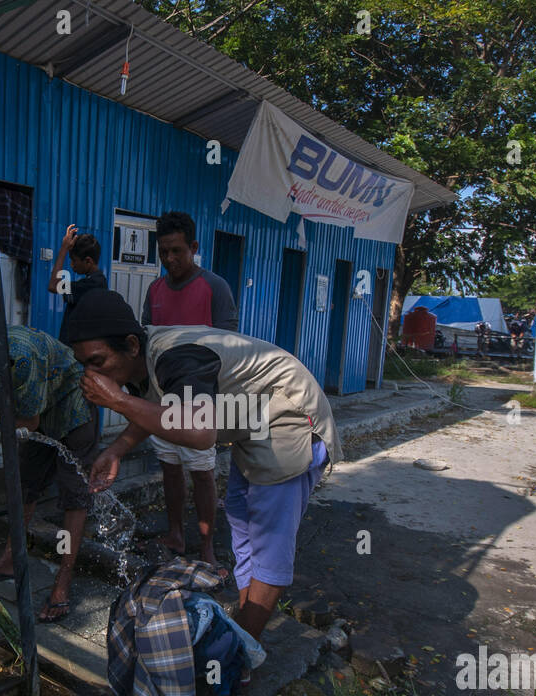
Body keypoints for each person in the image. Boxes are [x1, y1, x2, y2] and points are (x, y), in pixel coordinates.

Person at [61, 289, 339, 655]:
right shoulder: (142, 360)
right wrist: (117, 449)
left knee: (269, 542)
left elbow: (199, 431)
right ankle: (244, 631)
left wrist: (117, 400)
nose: (91, 376)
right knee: (242, 524)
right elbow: (162, 405)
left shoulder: (177, 356)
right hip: (252, 424)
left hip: (288, 419)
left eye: (97, 362)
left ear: (131, 345)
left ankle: (241, 652)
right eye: (84, 365)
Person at [140, 211, 238, 577]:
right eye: (163, 252)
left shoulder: (215, 287)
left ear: (194, 247)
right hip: (163, 396)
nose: (169, 260)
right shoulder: (155, 290)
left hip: (201, 399)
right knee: (168, 467)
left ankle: (207, 547)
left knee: (201, 471)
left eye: (177, 251)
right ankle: (176, 536)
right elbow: (149, 342)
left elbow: (231, 347)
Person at [0, 325, 98, 622]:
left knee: (74, 496)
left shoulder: (19, 358)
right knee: (25, 484)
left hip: (74, 408)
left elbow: (28, 424)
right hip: (42, 409)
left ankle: (62, 584)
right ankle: (10, 559)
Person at [49, 223, 107, 344]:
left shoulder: (92, 285)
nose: (71, 265)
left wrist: (64, 248)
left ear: (88, 261)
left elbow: (53, 285)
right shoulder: (96, 281)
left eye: (74, 260)